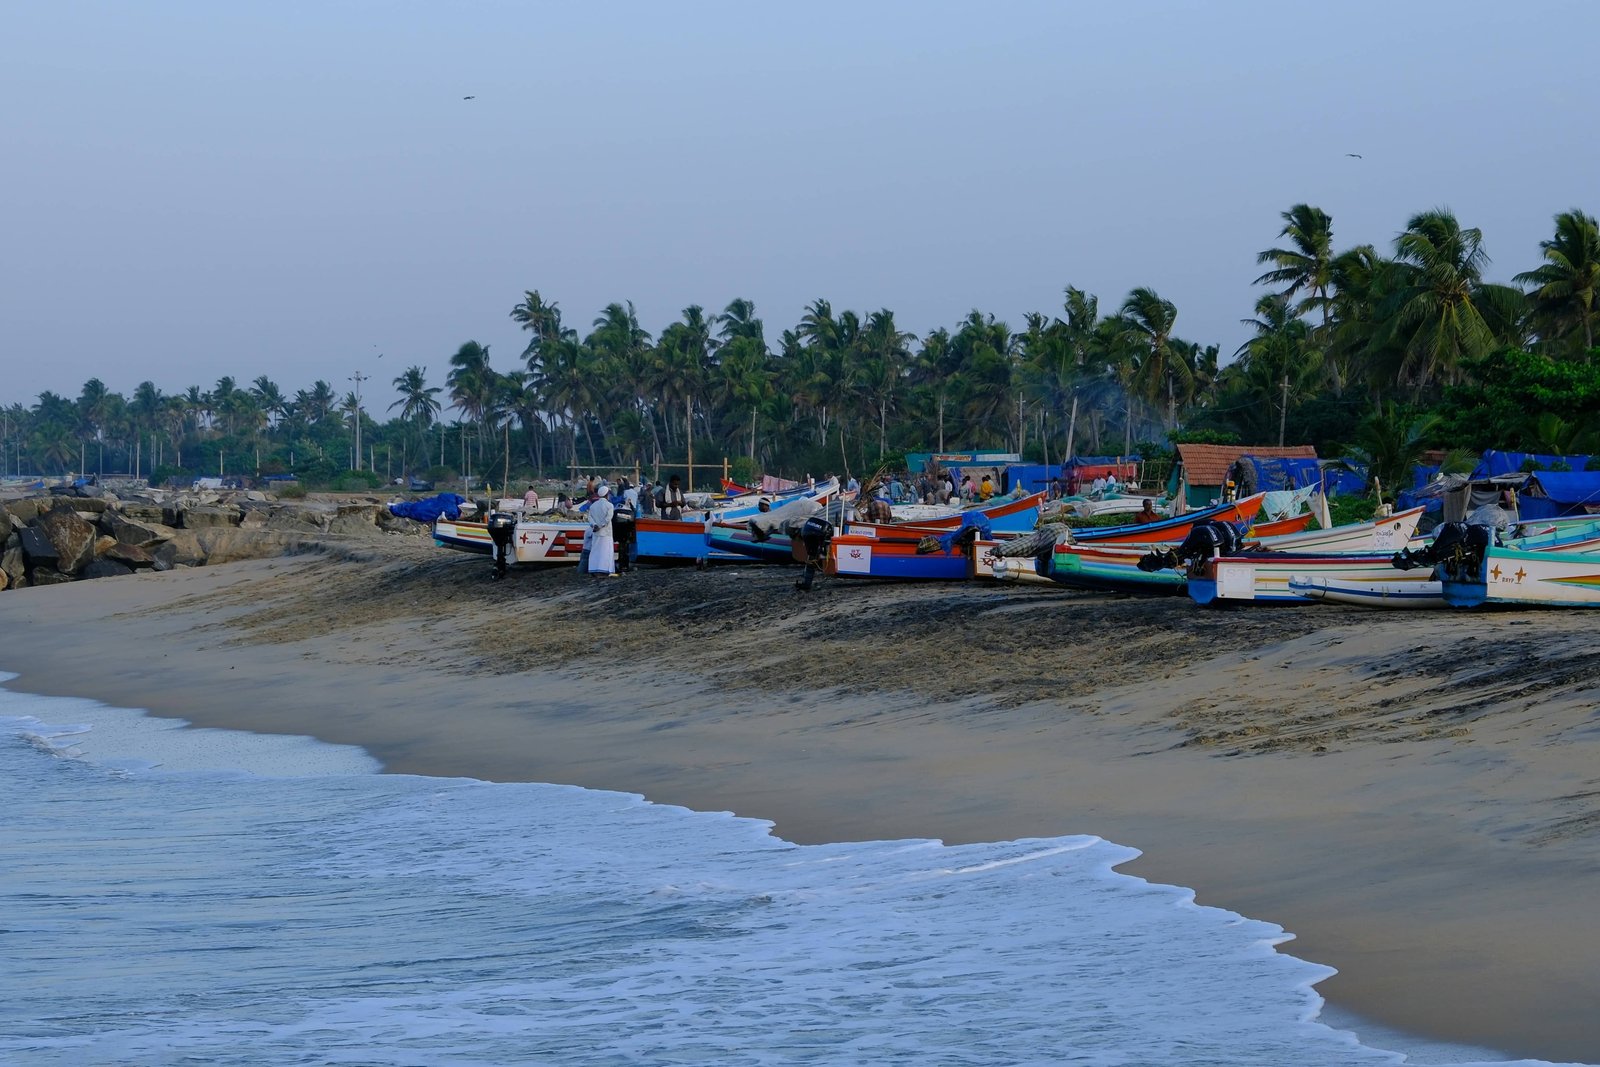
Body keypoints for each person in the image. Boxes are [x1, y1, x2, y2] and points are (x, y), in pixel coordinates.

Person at [587, 484, 617, 576]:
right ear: (607, 494)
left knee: (595, 550)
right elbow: (608, 519)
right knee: (606, 551)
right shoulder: (610, 505)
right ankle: (606, 570)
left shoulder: (593, 506)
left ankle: (593, 568)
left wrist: (595, 525)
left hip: (596, 533)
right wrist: (601, 525)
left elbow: (590, 518)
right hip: (606, 532)